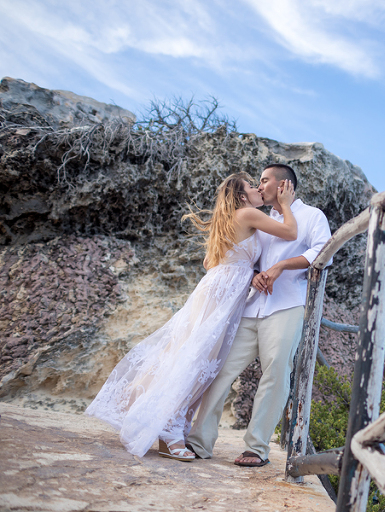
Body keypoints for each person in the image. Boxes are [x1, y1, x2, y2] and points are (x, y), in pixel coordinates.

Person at [85, 172, 297, 461]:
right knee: (196, 357)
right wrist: (286, 204)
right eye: (251, 185)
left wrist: (245, 274)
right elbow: (291, 233)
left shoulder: (234, 217)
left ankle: (170, 425)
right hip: (221, 296)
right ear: (241, 196)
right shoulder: (248, 213)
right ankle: (170, 430)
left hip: (219, 291)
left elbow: (210, 261)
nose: (257, 188)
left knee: (197, 356)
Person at [187, 163, 331, 467]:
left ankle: (256, 447)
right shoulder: (262, 219)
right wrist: (254, 273)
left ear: (283, 185)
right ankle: (199, 441)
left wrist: (279, 267)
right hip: (252, 306)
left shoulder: (312, 216)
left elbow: (321, 253)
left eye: (264, 181)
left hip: (286, 305)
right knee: (220, 368)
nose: (259, 185)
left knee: (276, 373)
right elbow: (247, 256)